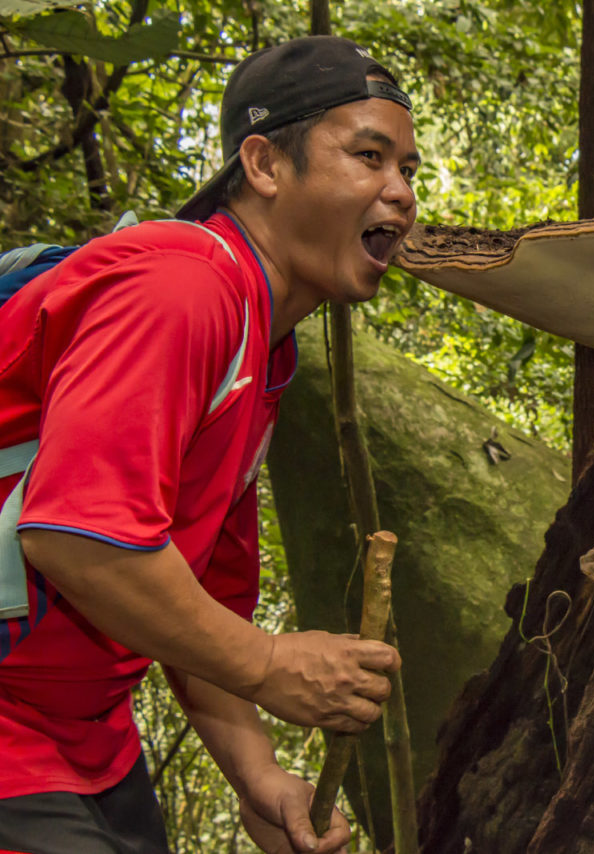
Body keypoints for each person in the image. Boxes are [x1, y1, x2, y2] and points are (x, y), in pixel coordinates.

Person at [0, 35, 420, 854]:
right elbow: (75, 538)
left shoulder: (263, 350)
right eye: (369, 155)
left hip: (86, 742)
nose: (400, 194)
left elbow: (187, 599)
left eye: (408, 169)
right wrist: (269, 664)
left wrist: (259, 780)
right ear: (263, 164)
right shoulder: (181, 287)